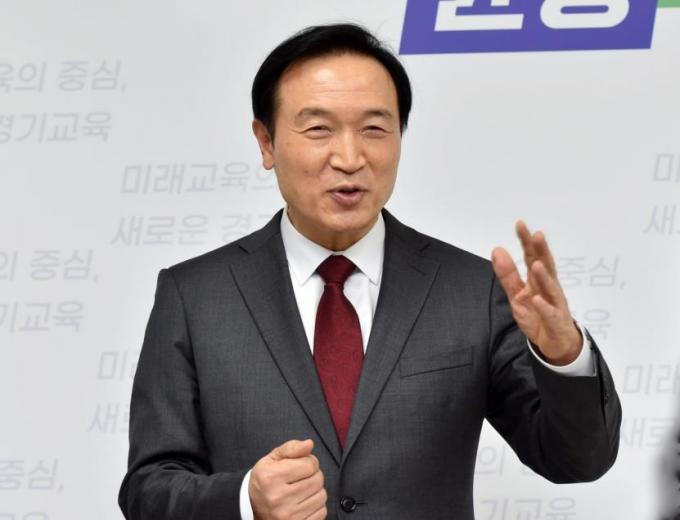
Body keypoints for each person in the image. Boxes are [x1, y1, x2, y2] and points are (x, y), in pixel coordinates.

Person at [118, 23, 621, 520]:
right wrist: (245, 500)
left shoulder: (471, 291)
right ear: (266, 142)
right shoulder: (195, 296)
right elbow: (148, 489)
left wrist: (563, 357)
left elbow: (576, 460)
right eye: (319, 129)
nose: (350, 158)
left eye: (374, 129)